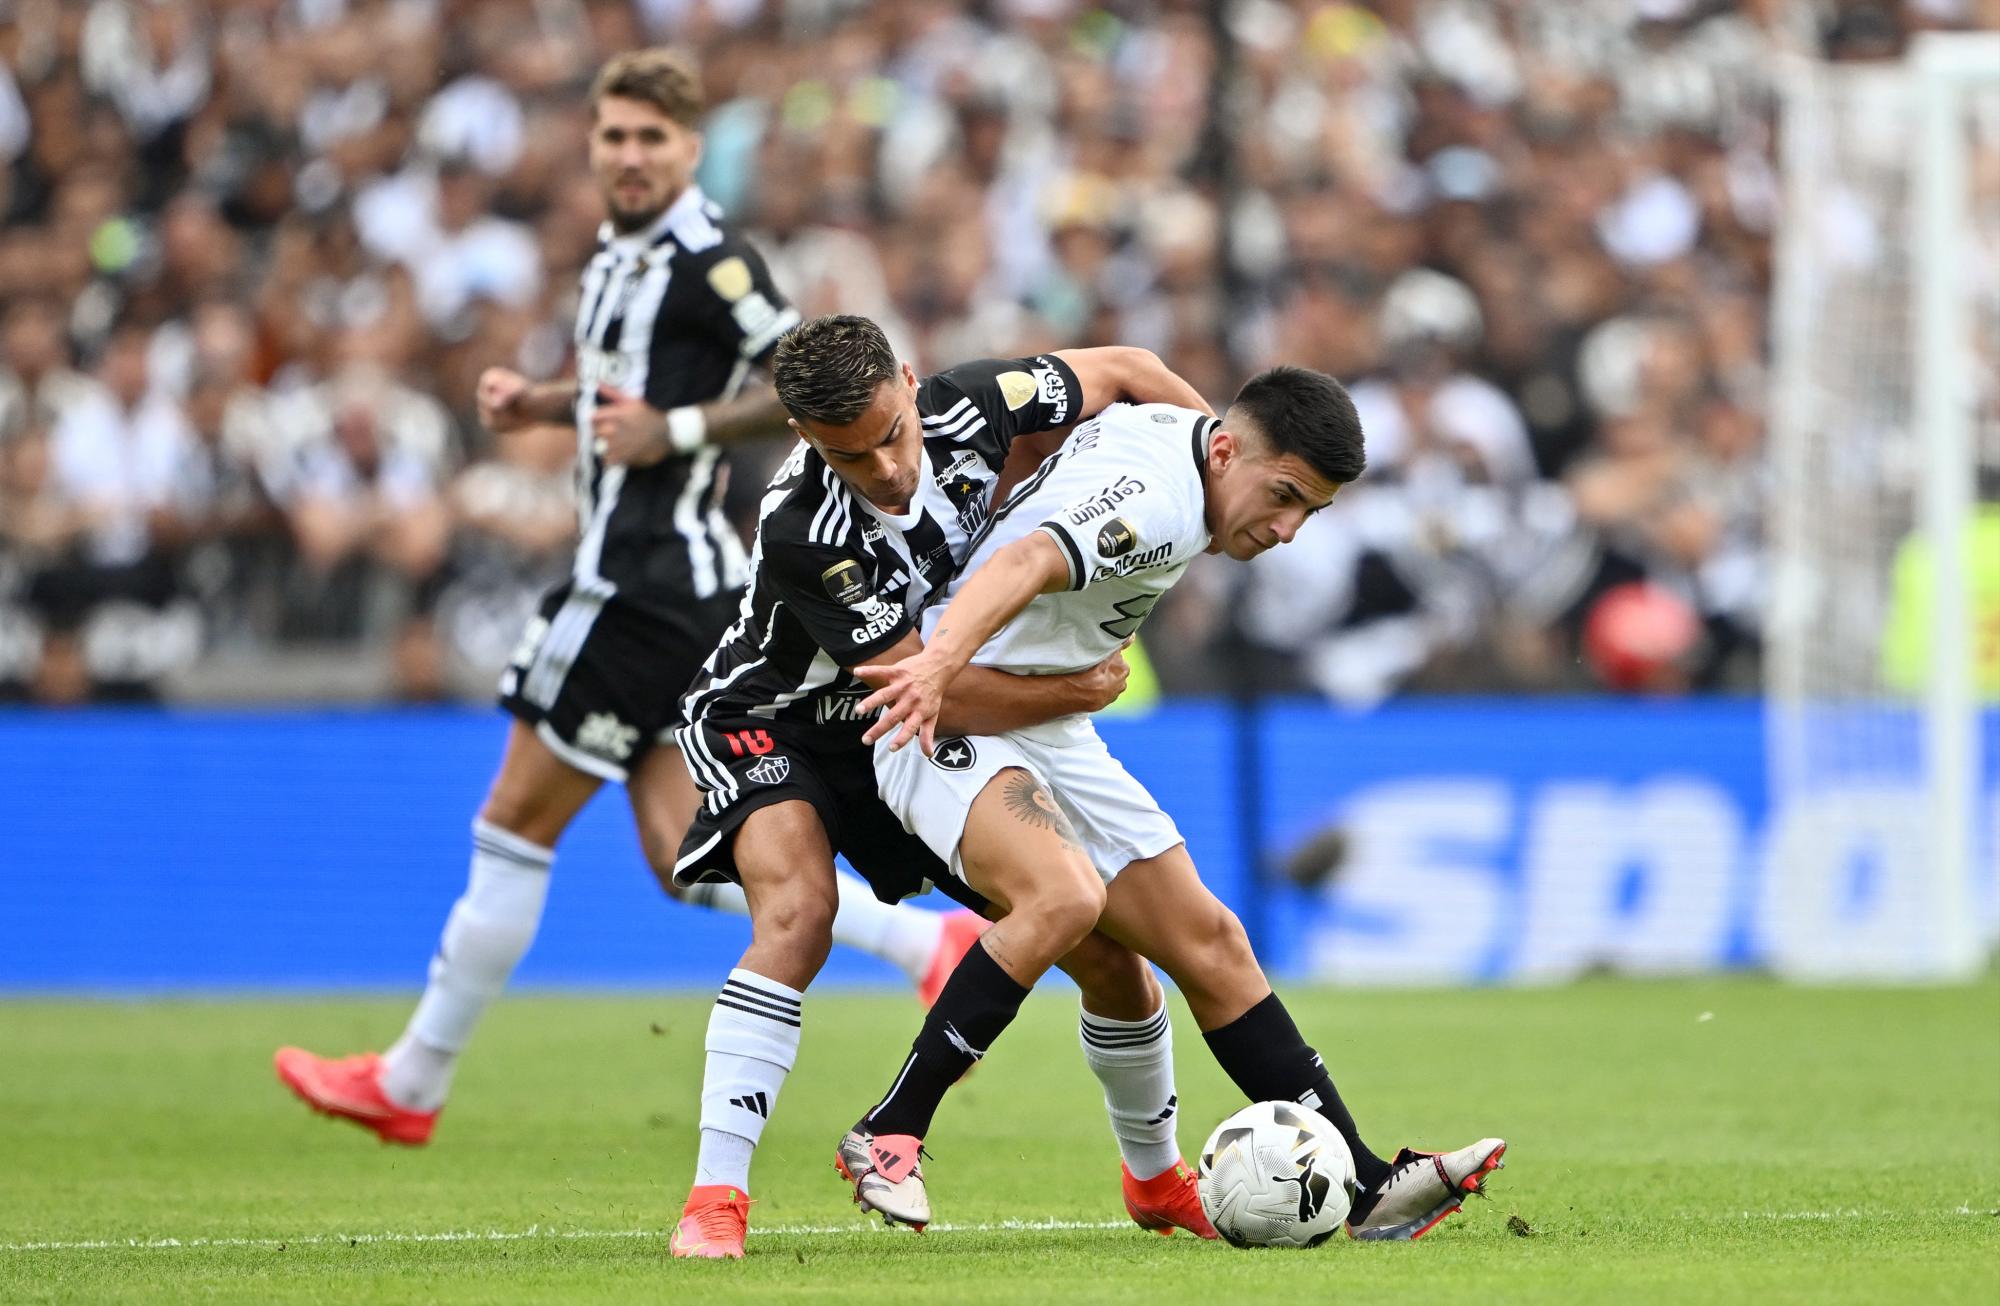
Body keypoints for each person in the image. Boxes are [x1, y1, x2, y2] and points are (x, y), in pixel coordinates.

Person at [271, 50, 982, 1147]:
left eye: (653, 139)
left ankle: (410, 1082)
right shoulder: (617, 256)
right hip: (671, 592)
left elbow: (796, 375)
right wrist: (545, 403)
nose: (632, 156)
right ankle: (918, 946)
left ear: (692, 150)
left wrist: (679, 434)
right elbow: (635, 393)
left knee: (512, 821)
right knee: (678, 851)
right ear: (593, 145)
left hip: (635, 584)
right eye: (614, 137)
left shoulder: (708, 258)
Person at [841, 364, 1507, 1242]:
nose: (1289, 529)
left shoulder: (1197, 446)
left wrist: (1222, 434)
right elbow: (1029, 558)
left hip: (1049, 720)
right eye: (1282, 497)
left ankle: (1369, 1182)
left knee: (1210, 944)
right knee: (1064, 896)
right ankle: (891, 1133)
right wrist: (933, 668)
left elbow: (1130, 368)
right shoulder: (1156, 504)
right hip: (952, 714)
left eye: (1311, 510)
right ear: (1227, 452)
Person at [665, 315, 1221, 1258]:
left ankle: (1158, 1180)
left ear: (912, 384)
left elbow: (1130, 367)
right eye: (849, 455)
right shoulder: (805, 526)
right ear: (805, 440)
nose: (883, 467)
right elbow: (936, 690)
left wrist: (1214, 478)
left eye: (892, 432)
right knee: (799, 917)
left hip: (901, 722)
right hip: (775, 718)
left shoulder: (976, 404)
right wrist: (1071, 689)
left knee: (1104, 952)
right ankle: (716, 1199)